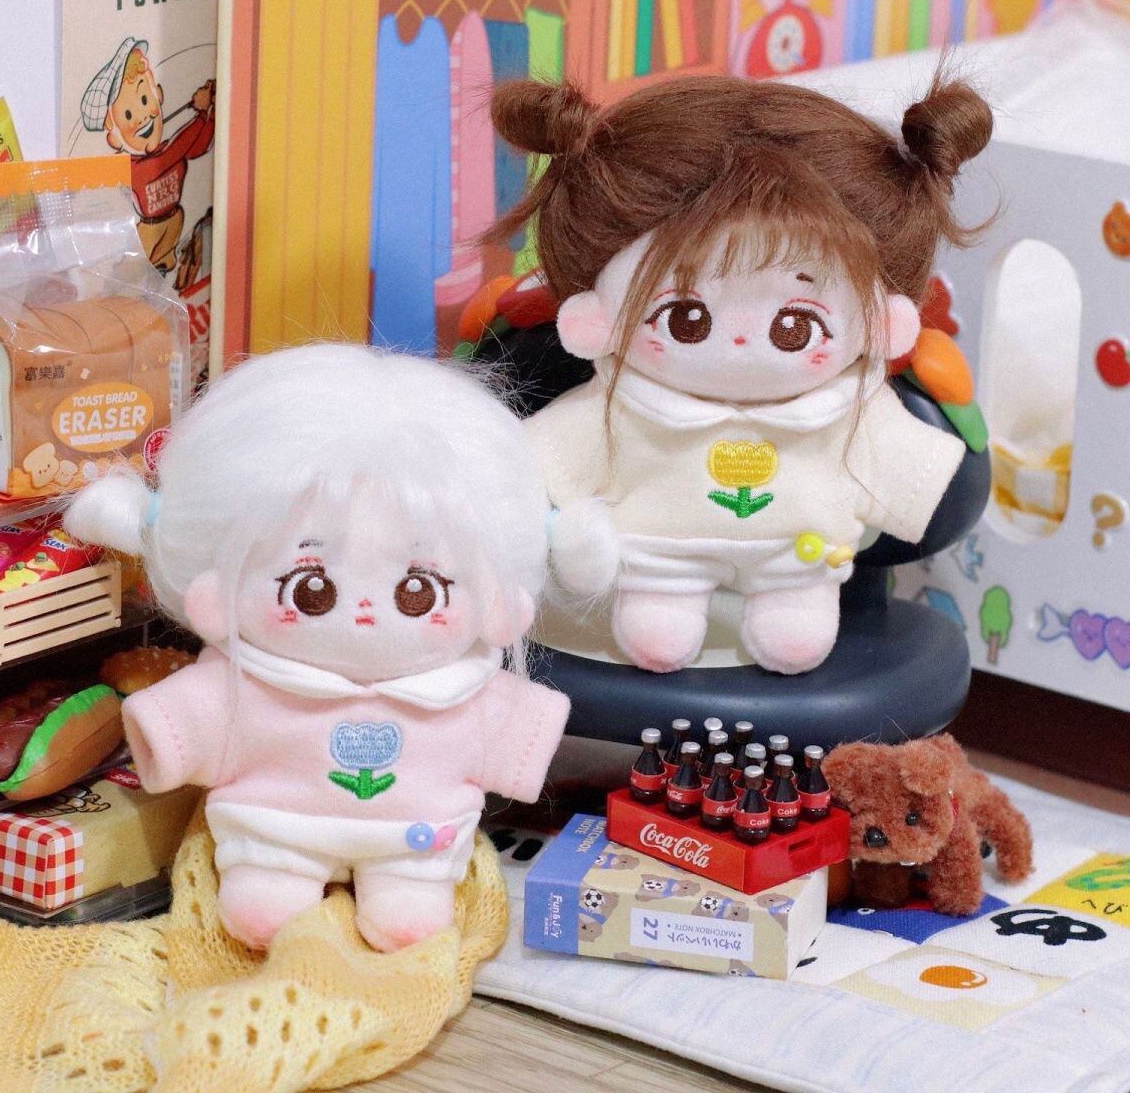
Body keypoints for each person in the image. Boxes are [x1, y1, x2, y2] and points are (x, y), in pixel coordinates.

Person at [64, 344, 569, 952]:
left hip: (416, 845)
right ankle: (274, 879)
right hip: (271, 837)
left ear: (498, 606)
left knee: (409, 920)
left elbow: (518, 735)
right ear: (216, 593)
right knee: (263, 911)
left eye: (417, 592)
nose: (364, 613)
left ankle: (406, 888)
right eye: (311, 589)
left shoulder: (471, 690)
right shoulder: (241, 682)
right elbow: (184, 721)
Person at [485, 73, 992, 674]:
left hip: (798, 564)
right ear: (597, 321)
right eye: (687, 319)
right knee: (657, 636)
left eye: (795, 327)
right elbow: (528, 466)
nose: (745, 344)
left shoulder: (855, 414)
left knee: (796, 639)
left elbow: (928, 485)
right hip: (656, 562)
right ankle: (665, 607)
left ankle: (789, 608)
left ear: (882, 326)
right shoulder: (616, 408)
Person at [80, 37, 215, 273]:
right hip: (148, 231)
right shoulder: (131, 167)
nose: (143, 117)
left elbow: (199, 145)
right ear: (114, 138)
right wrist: (202, 114)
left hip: (175, 219)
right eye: (128, 115)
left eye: (145, 99)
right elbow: (172, 154)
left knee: (166, 270)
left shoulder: (170, 149)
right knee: (133, 276)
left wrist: (213, 111)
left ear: (158, 95)